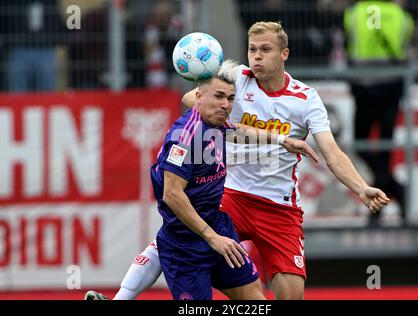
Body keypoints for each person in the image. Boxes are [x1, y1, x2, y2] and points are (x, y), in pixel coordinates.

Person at [85, 21, 389, 301]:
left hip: (279, 206)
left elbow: (332, 152)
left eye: (265, 50)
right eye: (252, 49)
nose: (256, 57)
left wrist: (361, 188)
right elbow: (192, 99)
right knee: (177, 236)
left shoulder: (305, 99)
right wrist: (226, 110)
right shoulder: (236, 79)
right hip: (231, 194)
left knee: (290, 295)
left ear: (284, 54)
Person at [85, 59, 319, 300]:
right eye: (218, 96)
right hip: (186, 245)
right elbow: (172, 194)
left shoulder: (217, 123)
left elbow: (238, 130)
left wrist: (283, 140)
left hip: (218, 229)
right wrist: (212, 237)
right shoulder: (185, 138)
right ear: (198, 97)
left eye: (230, 99)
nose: (225, 105)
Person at [343, 0, 415, 226]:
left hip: (364, 87)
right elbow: (407, 46)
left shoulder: (354, 13)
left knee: (360, 144)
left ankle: (379, 208)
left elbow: (348, 44)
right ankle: (395, 190)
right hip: (392, 88)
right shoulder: (402, 17)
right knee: (384, 150)